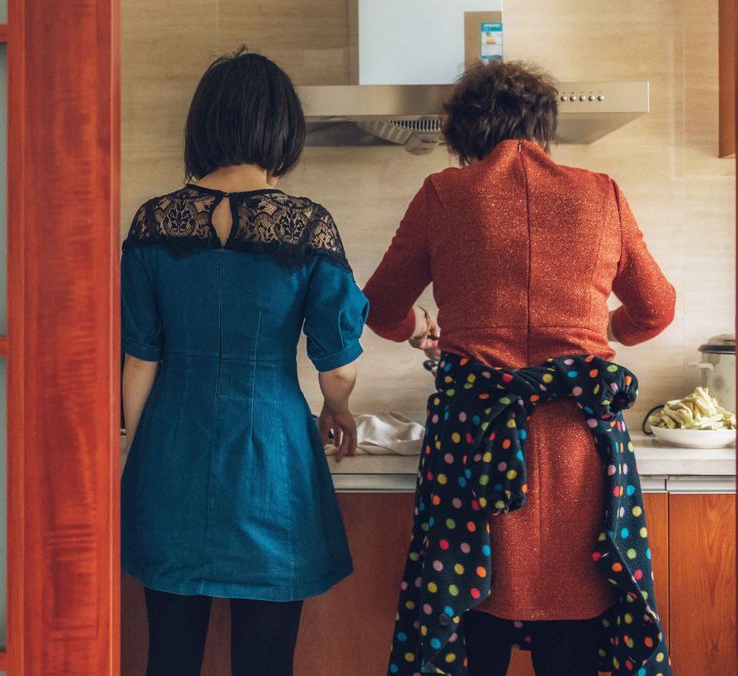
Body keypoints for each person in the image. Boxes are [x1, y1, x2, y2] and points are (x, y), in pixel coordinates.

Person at [364, 61, 675, 675]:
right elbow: (657, 308)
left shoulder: (444, 194)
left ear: (464, 133)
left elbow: (377, 308)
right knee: (574, 635)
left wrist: (419, 329)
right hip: (577, 451)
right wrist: (606, 331)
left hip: (471, 449)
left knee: (469, 625)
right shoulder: (601, 193)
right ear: (543, 125)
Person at [120, 48, 369, 676]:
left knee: (169, 659)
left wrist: (132, 448)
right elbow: (336, 366)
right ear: (282, 130)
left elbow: (140, 358)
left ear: (203, 126)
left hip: (171, 455)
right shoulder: (309, 226)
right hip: (273, 460)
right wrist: (338, 411)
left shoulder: (152, 223)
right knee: (266, 663)